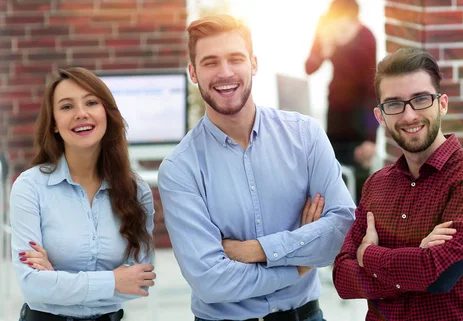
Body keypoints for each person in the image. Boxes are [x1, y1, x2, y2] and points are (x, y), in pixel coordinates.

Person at [157, 14, 355, 321]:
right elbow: (210, 281)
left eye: (235, 59)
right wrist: (301, 262)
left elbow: (344, 229)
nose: (225, 73)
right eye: (210, 62)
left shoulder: (305, 135)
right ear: (193, 73)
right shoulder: (180, 169)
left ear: (254, 64)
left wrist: (257, 250)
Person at [332, 48, 463, 321]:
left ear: (442, 104)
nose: (409, 115)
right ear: (380, 117)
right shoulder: (376, 184)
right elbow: (342, 278)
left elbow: (440, 275)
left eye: (421, 99)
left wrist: (369, 255)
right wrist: (416, 262)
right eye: (394, 104)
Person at [9, 67, 156, 321]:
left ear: (106, 113)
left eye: (91, 102)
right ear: (54, 123)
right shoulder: (30, 187)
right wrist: (113, 280)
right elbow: (32, 285)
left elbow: (139, 282)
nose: (81, 114)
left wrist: (56, 280)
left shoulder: (136, 190)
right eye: (66, 107)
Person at [305, 0, 378, 202]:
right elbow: (309, 67)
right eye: (341, 22)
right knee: (334, 176)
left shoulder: (366, 37)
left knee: (360, 182)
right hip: (335, 113)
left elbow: (372, 90)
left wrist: (371, 139)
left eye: (350, 23)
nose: (345, 29)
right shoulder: (326, 30)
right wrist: (324, 49)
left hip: (360, 119)